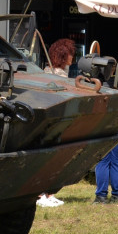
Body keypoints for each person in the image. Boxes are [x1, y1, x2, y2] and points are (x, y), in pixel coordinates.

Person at [38, 38, 77, 207]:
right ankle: (42, 194)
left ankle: (48, 193)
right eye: (70, 55)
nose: (72, 58)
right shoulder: (54, 75)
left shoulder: (57, 72)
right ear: (62, 55)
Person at [93, 126, 118, 204]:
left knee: (102, 161)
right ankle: (117, 196)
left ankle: (101, 196)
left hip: (104, 125)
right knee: (116, 161)